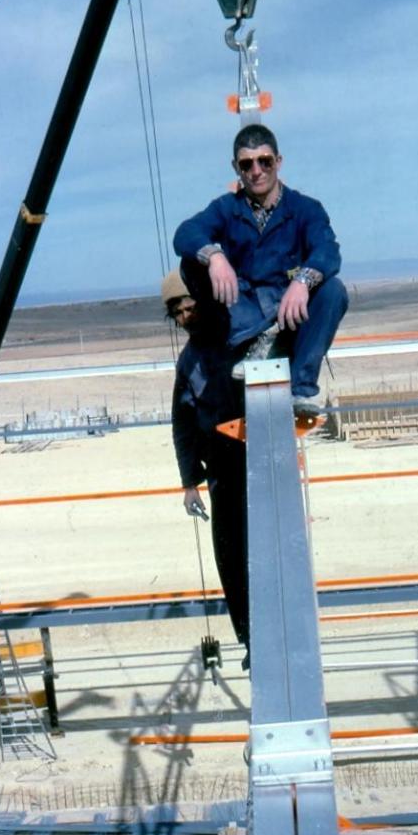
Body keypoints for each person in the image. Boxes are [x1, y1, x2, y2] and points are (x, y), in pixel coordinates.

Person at [173, 124, 348, 416]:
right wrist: (214, 256)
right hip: (243, 313)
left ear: (278, 162)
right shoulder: (226, 208)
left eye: (264, 161)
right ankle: (251, 341)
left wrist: (303, 281)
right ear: (236, 168)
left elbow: (328, 250)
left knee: (333, 290)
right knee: (191, 261)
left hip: (289, 313)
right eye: (247, 164)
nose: (257, 170)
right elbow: (186, 233)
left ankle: (301, 388)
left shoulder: (305, 209)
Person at [162, 271, 250, 668]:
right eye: (177, 312)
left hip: (256, 456)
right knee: (229, 559)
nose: (184, 317)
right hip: (221, 466)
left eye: (190, 307)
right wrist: (189, 482)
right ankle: (250, 640)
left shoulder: (240, 336)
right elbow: (182, 423)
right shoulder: (189, 361)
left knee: (264, 551)